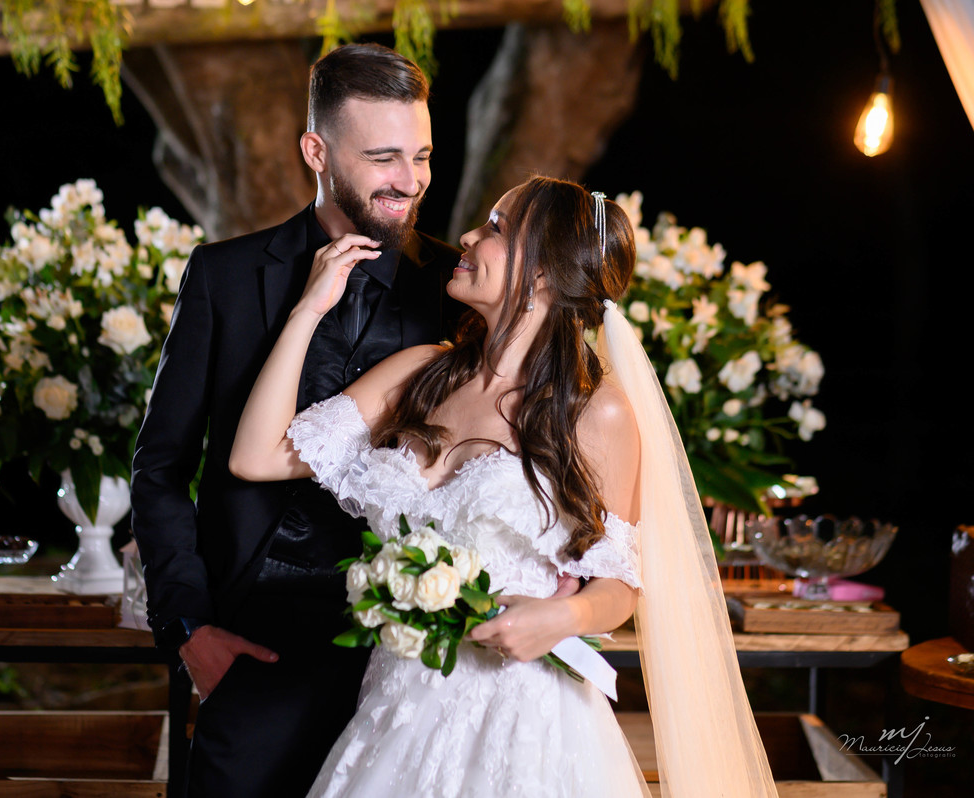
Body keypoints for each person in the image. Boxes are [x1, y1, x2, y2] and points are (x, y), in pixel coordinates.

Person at [230, 176, 779, 797]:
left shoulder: (595, 413)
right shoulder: (418, 373)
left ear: (542, 272)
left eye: (496, 228)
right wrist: (308, 309)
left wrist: (563, 615)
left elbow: (619, 583)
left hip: (521, 717)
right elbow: (256, 457)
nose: (467, 236)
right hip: (396, 708)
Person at [130, 43, 462, 798]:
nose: (410, 180)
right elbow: (160, 467)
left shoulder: (458, 287)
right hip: (253, 640)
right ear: (316, 152)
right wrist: (189, 630)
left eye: (421, 155)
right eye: (382, 157)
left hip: (410, 651)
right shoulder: (223, 275)